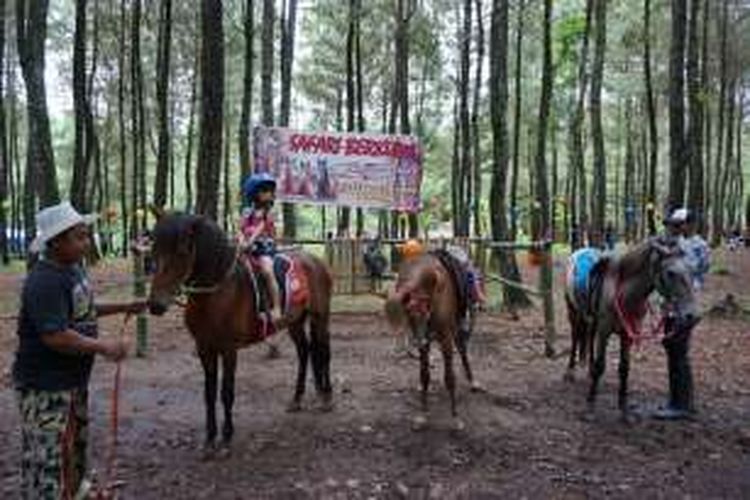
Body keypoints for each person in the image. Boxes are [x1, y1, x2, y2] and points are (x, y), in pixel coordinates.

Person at [13, 201, 147, 499]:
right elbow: (55, 336)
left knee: (73, 453)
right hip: (46, 389)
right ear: (56, 242)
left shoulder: (71, 271)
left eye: (87, 235)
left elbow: (83, 311)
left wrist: (125, 305)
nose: (87, 242)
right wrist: (104, 347)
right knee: (50, 460)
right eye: (80, 237)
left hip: (71, 384)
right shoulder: (45, 280)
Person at [654, 207, 701, 420]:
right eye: (671, 225)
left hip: (684, 308)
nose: (672, 229)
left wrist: (663, 249)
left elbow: (681, 270)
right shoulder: (677, 245)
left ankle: (682, 405)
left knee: (679, 353)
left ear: (687, 225)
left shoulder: (693, 246)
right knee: (673, 352)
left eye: (676, 224)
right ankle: (677, 401)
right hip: (674, 307)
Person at [239, 172, 282, 325]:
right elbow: (241, 229)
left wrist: (249, 241)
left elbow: (261, 228)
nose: (268, 194)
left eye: (270, 191)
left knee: (267, 271)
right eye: (264, 190)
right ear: (254, 193)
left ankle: (276, 307)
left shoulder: (270, 212)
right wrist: (242, 242)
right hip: (248, 248)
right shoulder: (246, 211)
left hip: (264, 249)